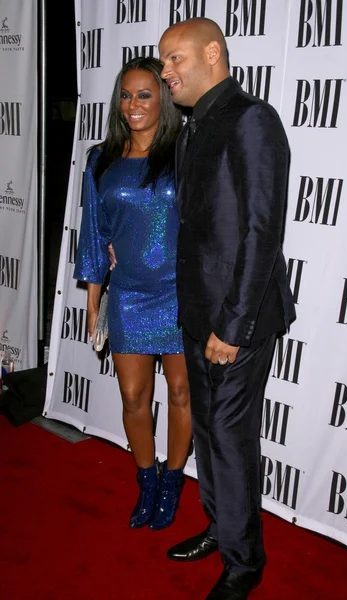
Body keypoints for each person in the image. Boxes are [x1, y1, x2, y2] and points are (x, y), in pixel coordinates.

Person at [159, 18, 296, 600]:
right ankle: (221, 527)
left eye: (173, 60)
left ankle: (245, 563)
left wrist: (232, 328)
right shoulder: (192, 130)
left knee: (232, 437)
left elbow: (262, 232)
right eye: (162, 62)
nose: (165, 72)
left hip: (240, 320)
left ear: (212, 53)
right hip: (198, 313)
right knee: (210, 434)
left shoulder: (252, 119)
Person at [73, 57, 192, 531]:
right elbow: (93, 233)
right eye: (126, 95)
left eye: (144, 94)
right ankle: (147, 479)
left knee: (182, 391)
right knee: (132, 394)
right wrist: (93, 298)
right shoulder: (100, 159)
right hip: (127, 295)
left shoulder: (185, 152)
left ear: (162, 99)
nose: (134, 104)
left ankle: (174, 480)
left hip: (181, 294)